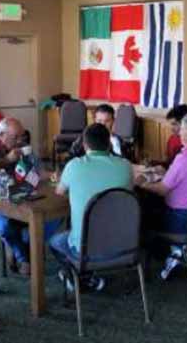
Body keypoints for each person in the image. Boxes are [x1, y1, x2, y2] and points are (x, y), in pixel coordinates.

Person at [49, 123, 133, 292]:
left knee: (55, 241)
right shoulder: (125, 166)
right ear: (109, 143)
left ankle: (79, 275)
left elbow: (59, 192)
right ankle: (89, 276)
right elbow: (127, 194)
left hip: (86, 250)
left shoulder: (74, 165)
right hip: (123, 246)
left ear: (84, 145)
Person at [136, 113, 187, 279]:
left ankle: (174, 251)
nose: (178, 133)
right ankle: (178, 248)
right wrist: (167, 172)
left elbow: (162, 190)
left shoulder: (185, 158)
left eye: (181, 129)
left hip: (180, 218)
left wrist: (141, 183)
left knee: (144, 210)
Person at [0, 117, 59, 276]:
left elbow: (35, 174)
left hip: (22, 197)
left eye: (21, 136)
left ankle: (23, 245)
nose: (20, 140)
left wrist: (54, 176)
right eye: (15, 137)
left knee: (53, 216)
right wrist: (6, 160)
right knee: (4, 225)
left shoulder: (23, 147)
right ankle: (24, 256)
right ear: (1, 135)